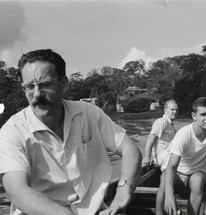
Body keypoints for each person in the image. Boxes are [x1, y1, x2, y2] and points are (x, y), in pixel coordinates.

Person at [0, 49, 142, 215]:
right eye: (30, 86)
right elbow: (18, 192)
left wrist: (123, 191)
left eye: (45, 84)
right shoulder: (12, 132)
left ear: (64, 83)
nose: (37, 94)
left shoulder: (89, 113)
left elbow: (130, 149)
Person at [158, 97, 206, 215]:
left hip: (197, 174)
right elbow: (171, 167)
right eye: (203, 114)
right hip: (178, 176)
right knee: (164, 179)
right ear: (194, 116)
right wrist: (169, 196)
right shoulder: (184, 134)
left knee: (198, 179)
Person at [142, 100, 178, 167]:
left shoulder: (171, 125)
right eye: (172, 109)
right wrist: (147, 158)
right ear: (165, 111)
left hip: (169, 154)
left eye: (176, 110)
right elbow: (150, 139)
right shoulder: (162, 122)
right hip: (161, 155)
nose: (175, 112)